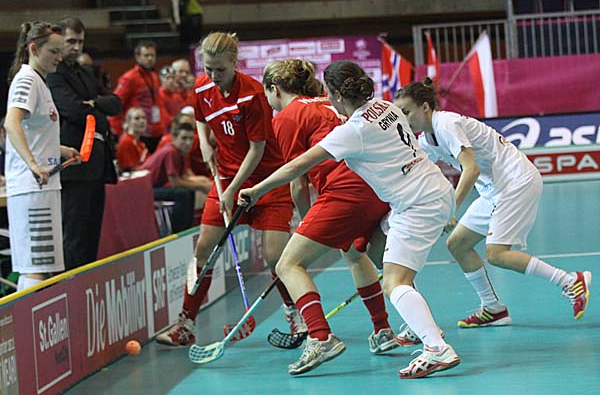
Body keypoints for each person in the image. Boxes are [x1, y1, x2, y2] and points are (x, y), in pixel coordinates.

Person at [239, 61, 460, 379]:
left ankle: (434, 348)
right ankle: (411, 329)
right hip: (430, 191)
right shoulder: (386, 106)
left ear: (337, 95)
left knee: (391, 281)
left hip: (416, 203)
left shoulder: (352, 132)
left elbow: (297, 168)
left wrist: (256, 190)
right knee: (373, 257)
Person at [394, 78, 592, 328]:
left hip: (515, 182)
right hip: (493, 190)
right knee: (458, 244)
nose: (403, 119)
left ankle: (570, 281)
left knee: (497, 253)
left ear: (424, 107)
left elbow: (471, 170)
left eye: (406, 112)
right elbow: (424, 177)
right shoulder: (426, 140)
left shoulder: (446, 124)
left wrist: (450, 210)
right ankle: (493, 308)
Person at [155, 32, 298, 347]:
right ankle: (185, 323)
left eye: (220, 69)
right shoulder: (202, 86)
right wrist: (205, 143)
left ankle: (295, 314)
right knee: (203, 251)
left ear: (234, 62)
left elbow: (257, 149)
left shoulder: (252, 95)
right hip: (227, 178)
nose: (213, 75)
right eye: (208, 68)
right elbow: (201, 117)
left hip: (267, 181)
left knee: (276, 257)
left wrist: (232, 190)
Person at [261, 59, 399, 361]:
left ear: (274, 90)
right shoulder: (327, 101)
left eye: (266, 93)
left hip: (345, 191)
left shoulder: (286, 117)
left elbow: (298, 183)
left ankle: (320, 337)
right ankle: (382, 329)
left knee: (288, 264)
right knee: (354, 255)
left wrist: (307, 223)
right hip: (375, 186)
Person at [4, 22, 80, 290]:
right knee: (35, 269)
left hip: (44, 187)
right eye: (54, 51)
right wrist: (33, 164)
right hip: (31, 188)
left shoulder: (40, 81)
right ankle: (24, 320)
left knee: (44, 268)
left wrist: (61, 150)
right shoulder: (27, 80)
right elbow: (11, 123)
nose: (60, 58)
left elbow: (34, 134)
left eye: (61, 51)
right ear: (34, 49)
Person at [47, 17, 121, 271]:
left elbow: (116, 103)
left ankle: (87, 281)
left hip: (97, 166)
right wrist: (96, 110)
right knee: (74, 237)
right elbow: (74, 110)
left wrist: (94, 104)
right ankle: (72, 285)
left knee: (91, 236)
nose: (76, 47)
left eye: (80, 42)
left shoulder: (86, 73)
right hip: (74, 167)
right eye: (71, 41)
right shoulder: (54, 75)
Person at [141, 121, 211, 233]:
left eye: (190, 139)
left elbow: (182, 178)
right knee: (182, 193)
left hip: (155, 187)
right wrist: (201, 186)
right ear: (174, 137)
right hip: (145, 190)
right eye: (184, 138)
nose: (188, 143)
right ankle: (179, 231)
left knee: (189, 191)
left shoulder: (180, 152)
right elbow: (175, 183)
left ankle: (188, 227)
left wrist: (201, 184)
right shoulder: (171, 152)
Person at [108, 41, 163, 152]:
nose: (150, 58)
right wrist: (121, 133)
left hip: (156, 131)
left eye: (152, 55)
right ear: (138, 57)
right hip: (138, 132)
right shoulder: (129, 78)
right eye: (146, 55)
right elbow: (115, 105)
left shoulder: (154, 76)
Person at [116, 107, 149, 172]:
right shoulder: (127, 141)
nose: (142, 121)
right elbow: (132, 168)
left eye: (144, 118)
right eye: (137, 118)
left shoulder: (140, 143)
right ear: (128, 122)